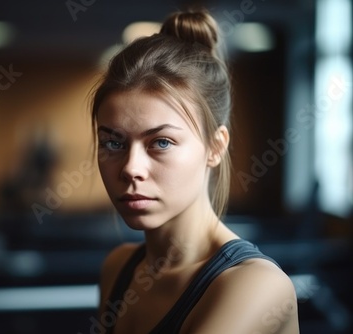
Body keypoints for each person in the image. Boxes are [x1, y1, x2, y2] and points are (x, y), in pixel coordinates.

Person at [89, 9, 300, 334]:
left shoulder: (257, 285)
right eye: (114, 144)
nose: (131, 168)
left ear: (215, 147)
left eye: (160, 142)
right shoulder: (117, 268)